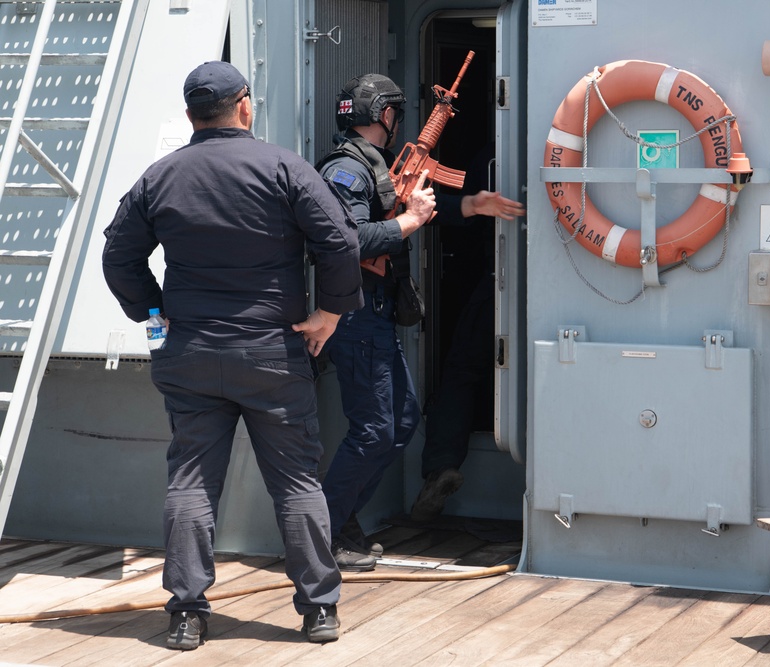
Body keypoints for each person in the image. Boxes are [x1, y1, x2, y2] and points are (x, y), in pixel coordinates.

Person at [102, 61, 362, 650]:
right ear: (244, 105)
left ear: (193, 113)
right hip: (272, 352)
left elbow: (118, 257)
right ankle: (319, 609)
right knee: (296, 482)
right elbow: (340, 242)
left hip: (189, 352)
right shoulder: (282, 168)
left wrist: (153, 312)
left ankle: (187, 615)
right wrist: (330, 312)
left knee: (191, 483)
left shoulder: (160, 177)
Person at [316, 74, 524, 572]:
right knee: (372, 431)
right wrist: (410, 219)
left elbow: (409, 201)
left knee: (402, 422)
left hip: (379, 315)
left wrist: (472, 204)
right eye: (392, 112)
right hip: (356, 314)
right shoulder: (345, 171)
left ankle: (339, 520)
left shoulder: (376, 166)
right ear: (383, 115)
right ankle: (323, 530)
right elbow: (351, 241)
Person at [410, 143, 525, 523]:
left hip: (496, 278)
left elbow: (466, 219)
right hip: (554, 281)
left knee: (461, 372)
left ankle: (440, 465)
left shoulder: (493, 155)